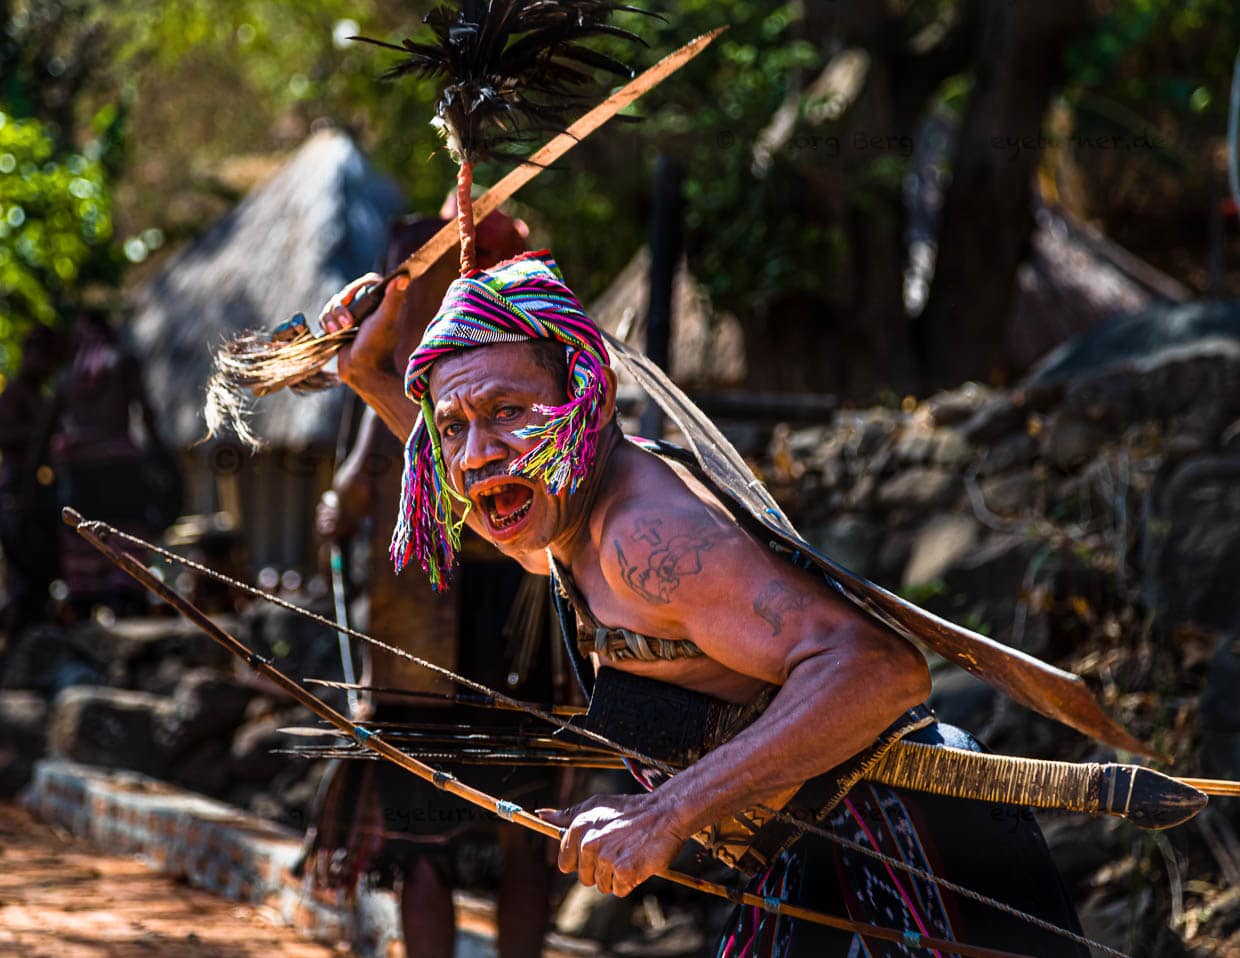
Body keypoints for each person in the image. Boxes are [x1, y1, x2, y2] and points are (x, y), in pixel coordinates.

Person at [319, 251, 1089, 956]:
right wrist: (369, 375)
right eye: (452, 428)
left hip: (912, 849)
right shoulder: (562, 514)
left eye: (509, 411)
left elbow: (880, 669)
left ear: (587, 396)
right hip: (809, 858)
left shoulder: (646, 536)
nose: (476, 455)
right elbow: (495, 491)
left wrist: (663, 815)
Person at [304, 209, 561, 958]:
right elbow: (366, 458)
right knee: (437, 834)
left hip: (510, 606)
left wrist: (346, 499)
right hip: (428, 615)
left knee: (519, 829)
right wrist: (346, 497)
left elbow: (362, 472)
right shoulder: (419, 315)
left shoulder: (513, 310)